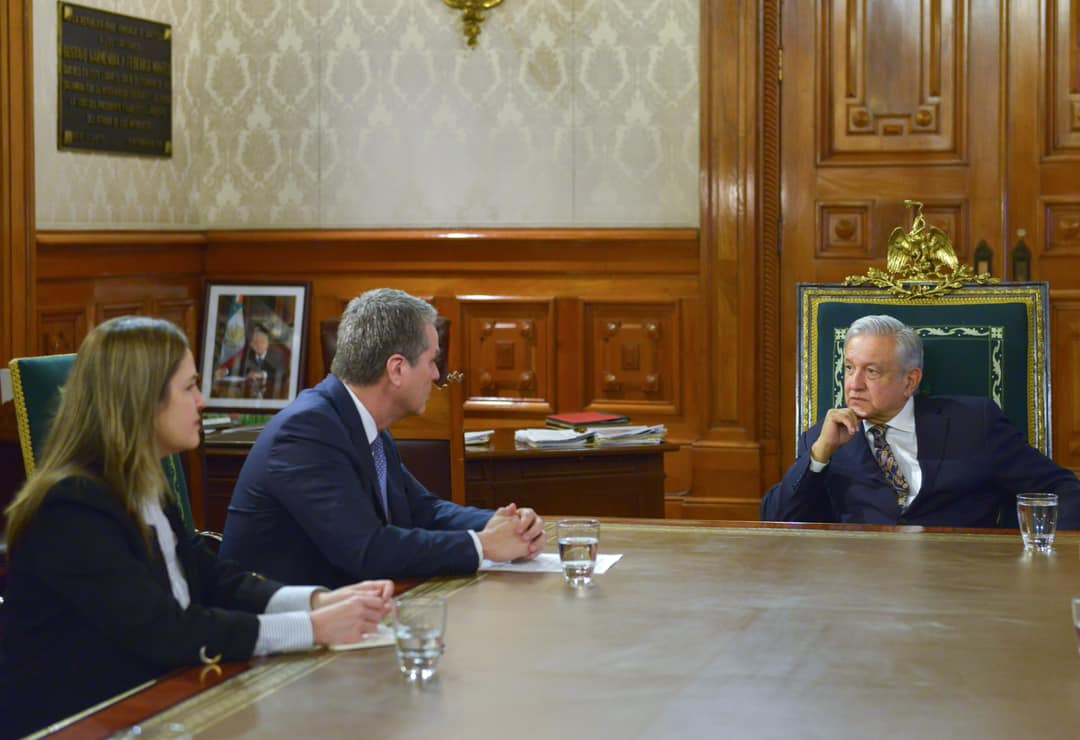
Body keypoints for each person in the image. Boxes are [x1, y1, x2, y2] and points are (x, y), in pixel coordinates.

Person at [0, 317, 393, 738]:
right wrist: (313, 629)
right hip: (79, 723)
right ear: (142, 401)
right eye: (189, 388)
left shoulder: (143, 482)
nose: (202, 401)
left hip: (156, 706)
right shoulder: (72, 507)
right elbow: (166, 631)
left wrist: (316, 601)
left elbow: (211, 579)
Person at [219, 288, 547, 586]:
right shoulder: (306, 433)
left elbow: (423, 511)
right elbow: (366, 550)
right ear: (397, 369)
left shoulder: (360, 420)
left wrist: (503, 522)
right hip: (277, 634)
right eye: (432, 361)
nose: (436, 375)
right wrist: (484, 544)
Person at [761, 314, 1080, 527]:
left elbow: (1061, 490)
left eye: (871, 371)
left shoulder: (974, 422)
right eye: (848, 368)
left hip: (963, 586)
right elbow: (777, 520)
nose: (853, 384)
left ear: (910, 381)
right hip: (863, 591)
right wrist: (818, 457)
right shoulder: (825, 438)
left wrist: (1031, 555)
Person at [215, 324, 288, 399]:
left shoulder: (275, 356)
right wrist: (225, 371)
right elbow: (240, 369)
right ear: (251, 344)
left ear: (267, 344)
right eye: (256, 342)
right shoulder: (249, 355)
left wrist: (262, 375)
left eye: (262, 342)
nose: (259, 345)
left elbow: (283, 374)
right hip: (250, 393)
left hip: (271, 395)